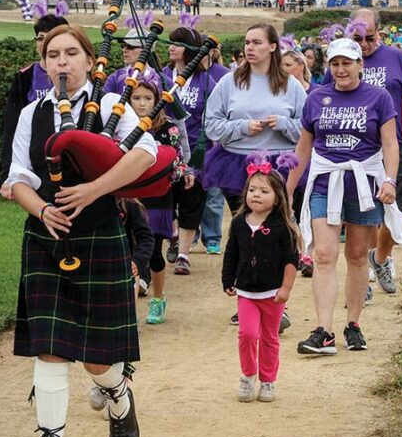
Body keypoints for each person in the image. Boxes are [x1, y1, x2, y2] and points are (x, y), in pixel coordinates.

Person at [6, 24, 154, 437]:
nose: (62, 62)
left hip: (99, 233)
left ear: (90, 62)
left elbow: (146, 153)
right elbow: (17, 179)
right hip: (46, 240)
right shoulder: (33, 113)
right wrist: (44, 209)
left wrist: (92, 190)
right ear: (44, 63)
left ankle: (119, 397)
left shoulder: (111, 106)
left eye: (72, 53)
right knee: (49, 350)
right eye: (53, 55)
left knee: (96, 359)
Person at [287, 38, 402, 354]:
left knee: (356, 255)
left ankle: (353, 324)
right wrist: (287, 188)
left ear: (359, 65)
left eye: (347, 63)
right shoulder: (316, 99)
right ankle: (323, 331)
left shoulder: (379, 98)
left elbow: (390, 144)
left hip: (365, 184)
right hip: (326, 183)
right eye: (335, 64)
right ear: (329, 66)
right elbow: (303, 147)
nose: (341, 69)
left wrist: (390, 180)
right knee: (324, 254)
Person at [321, 8, 402, 297]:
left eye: (370, 37)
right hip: (355, 152)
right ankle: (362, 278)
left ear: (379, 32)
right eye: (358, 38)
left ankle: (379, 259)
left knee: (398, 210)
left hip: (393, 146)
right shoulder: (339, 61)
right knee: (364, 214)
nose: (365, 44)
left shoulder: (398, 58)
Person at [204, 23, 306, 215]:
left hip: (281, 165)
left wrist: (285, 124)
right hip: (235, 165)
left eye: (257, 42)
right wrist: (242, 127)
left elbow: (308, 129)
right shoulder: (228, 81)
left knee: (279, 227)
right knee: (244, 226)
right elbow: (210, 125)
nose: (249, 47)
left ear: (273, 46)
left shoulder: (291, 84)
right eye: (247, 42)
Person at [223, 162, 300, 401]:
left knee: (269, 338)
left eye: (264, 191)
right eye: (252, 190)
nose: (256, 195)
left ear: (277, 199)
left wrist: (286, 288)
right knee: (247, 334)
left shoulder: (281, 227)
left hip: (273, 293)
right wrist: (227, 279)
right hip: (247, 292)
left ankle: (268, 380)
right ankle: (247, 375)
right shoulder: (238, 224)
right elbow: (231, 253)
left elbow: (291, 260)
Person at [128, 74, 191, 325]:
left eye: (148, 98)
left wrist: (181, 173)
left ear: (158, 100)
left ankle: (157, 299)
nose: (142, 103)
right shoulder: (124, 126)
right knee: (130, 250)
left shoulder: (168, 129)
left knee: (153, 251)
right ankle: (128, 307)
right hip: (130, 196)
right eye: (136, 98)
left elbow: (177, 161)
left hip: (157, 196)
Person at [164, 27, 218, 274]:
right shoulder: (161, 76)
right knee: (166, 201)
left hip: (196, 153)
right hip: (164, 152)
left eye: (178, 43)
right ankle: (172, 234)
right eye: (171, 42)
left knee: (191, 201)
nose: (171, 47)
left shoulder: (207, 81)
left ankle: (184, 254)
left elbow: (214, 117)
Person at [0, 14, 70, 200]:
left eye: (50, 38)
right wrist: (10, 174)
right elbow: (11, 127)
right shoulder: (24, 77)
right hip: (35, 156)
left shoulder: (75, 76)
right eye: (40, 38)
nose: (43, 43)